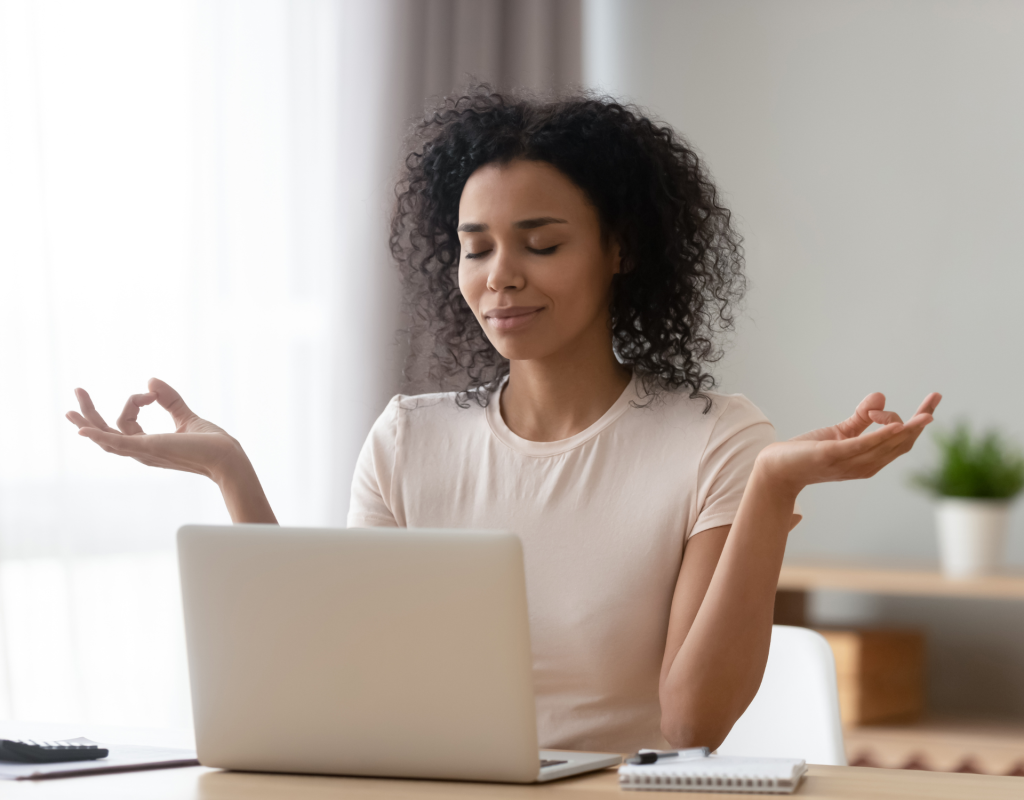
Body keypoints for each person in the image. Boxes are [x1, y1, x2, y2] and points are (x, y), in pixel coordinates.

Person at [67, 88, 940, 754]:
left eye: (542, 243)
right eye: (475, 247)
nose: (500, 276)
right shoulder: (410, 439)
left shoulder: (718, 439)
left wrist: (773, 486)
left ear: (620, 249)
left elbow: (690, 724)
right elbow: (337, 684)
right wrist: (233, 474)